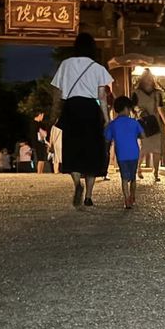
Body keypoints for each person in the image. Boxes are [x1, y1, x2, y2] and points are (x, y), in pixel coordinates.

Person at [50, 32, 113, 207]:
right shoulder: (98, 68)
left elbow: (57, 93)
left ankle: (78, 184)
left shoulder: (65, 64)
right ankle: (89, 196)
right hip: (91, 111)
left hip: (71, 108)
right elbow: (102, 96)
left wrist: (54, 113)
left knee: (72, 149)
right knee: (92, 150)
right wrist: (107, 118)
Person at [104, 96, 144, 209]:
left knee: (124, 178)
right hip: (134, 153)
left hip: (121, 154)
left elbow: (107, 138)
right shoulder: (134, 122)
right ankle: (133, 196)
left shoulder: (113, 124)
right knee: (133, 178)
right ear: (127, 109)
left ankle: (126, 198)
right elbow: (143, 135)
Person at [133, 71, 165, 181]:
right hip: (145, 123)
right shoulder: (136, 93)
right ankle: (139, 168)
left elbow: (160, 109)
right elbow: (132, 107)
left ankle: (156, 172)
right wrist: (138, 111)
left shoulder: (157, 93)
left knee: (155, 149)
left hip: (154, 123)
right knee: (145, 148)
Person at [32, 109, 50, 174]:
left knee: (42, 158)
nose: (42, 117)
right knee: (40, 158)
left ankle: (41, 172)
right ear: (39, 115)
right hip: (38, 143)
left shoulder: (39, 124)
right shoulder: (34, 124)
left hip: (41, 142)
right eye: (42, 115)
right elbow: (41, 133)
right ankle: (39, 172)